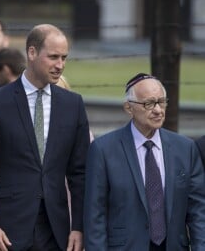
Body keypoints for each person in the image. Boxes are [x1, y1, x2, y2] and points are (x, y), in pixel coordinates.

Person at [0, 24, 90, 251]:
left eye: (64, 58)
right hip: (6, 231)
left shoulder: (73, 104)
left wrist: (78, 226)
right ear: (31, 53)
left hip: (56, 231)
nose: (60, 65)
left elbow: (80, 173)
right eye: (53, 57)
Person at [84, 73, 205, 251]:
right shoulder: (103, 150)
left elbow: (198, 211)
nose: (158, 110)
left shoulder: (185, 148)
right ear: (129, 108)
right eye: (149, 103)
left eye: (161, 101)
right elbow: (95, 215)